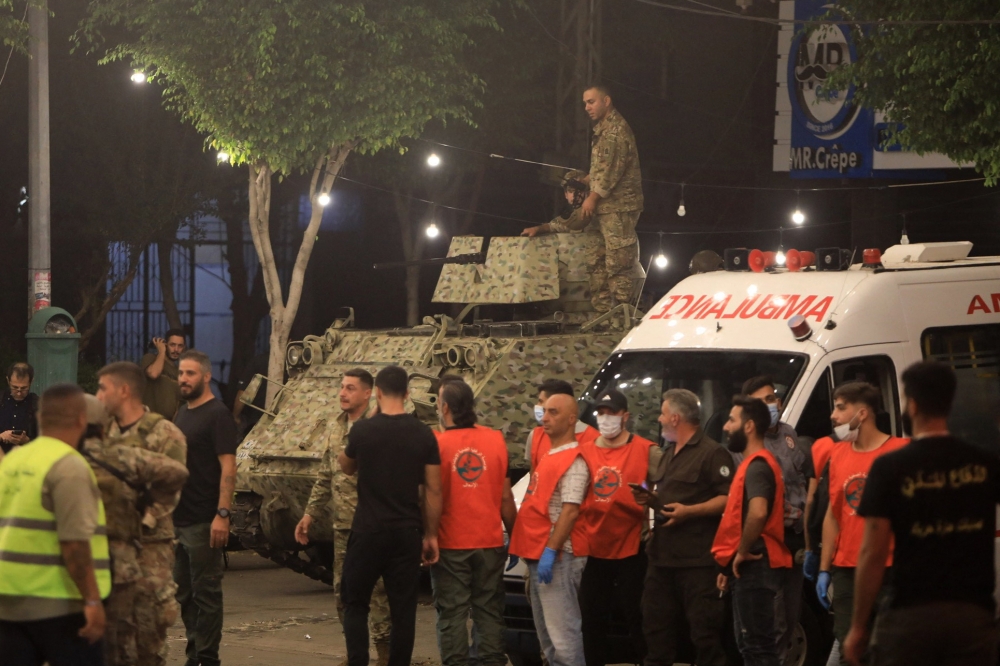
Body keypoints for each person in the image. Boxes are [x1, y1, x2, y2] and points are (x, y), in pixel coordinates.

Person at [843, 363, 996, 666]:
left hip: (910, 615)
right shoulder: (984, 463)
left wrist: (859, 627)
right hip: (974, 616)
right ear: (949, 404)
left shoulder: (890, 468)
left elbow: (872, 553)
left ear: (911, 405)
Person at [337, 365, 442, 666]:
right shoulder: (423, 433)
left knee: (355, 603)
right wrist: (431, 534)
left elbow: (346, 465)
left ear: (378, 392)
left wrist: (368, 422)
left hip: (368, 531)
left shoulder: (364, 430)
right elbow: (433, 490)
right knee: (403, 610)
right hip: (406, 533)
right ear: (408, 394)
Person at [0, 383, 110, 665]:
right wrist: (93, 601)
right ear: (81, 419)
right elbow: (74, 543)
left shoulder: (13, 462)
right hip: (60, 606)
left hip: (10, 604)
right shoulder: (68, 465)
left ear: (39, 418)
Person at [80, 394, 189, 666]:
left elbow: (175, 475)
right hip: (111, 559)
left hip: (135, 551)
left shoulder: (160, 433)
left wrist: (146, 513)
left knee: (139, 629)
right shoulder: (115, 451)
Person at [295, 368, 392, 666]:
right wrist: (310, 513)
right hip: (342, 527)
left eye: (350, 388)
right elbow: (326, 474)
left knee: (376, 592)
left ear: (367, 393)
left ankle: (386, 655)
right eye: (341, 387)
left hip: (369, 526)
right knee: (343, 592)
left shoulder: (376, 428)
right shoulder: (337, 427)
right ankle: (356, 653)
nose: (342, 393)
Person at [639, 389, 733, 666]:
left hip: (697, 563)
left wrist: (690, 512)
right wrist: (652, 500)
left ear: (676, 418)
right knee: (655, 631)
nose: (659, 419)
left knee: (704, 636)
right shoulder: (668, 454)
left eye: (663, 413)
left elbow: (729, 499)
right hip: (662, 559)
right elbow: (670, 499)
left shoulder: (713, 453)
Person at [817, 382, 908, 665]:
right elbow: (833, 515)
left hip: (891, 567)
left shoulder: (901, 452)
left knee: (892, 650)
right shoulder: (837, 454)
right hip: (847, 570)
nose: (834, 415)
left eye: (841, 407)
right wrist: (824, 568)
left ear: (863, 412)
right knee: (849, 650)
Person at [431, 377, 518, 666]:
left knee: (453, 613)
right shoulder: (495, 439)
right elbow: (506, 498)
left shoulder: (437, 444)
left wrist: (426, 535)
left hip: (451, 544)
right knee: (489, 611)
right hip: (490, 542)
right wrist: (515, 534)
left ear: (445, 408)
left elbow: (431, 497)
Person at [509, 393, 592, 666]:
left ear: (571, 419)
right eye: (544, 411)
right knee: (548, 641)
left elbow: (570, 510)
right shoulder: (550, 456)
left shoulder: (574, 460)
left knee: (563, 640)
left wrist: (550, 550)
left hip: (558, 558)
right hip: (539, 556)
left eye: (553, 412)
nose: (545, 418)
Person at [578, 389, 655, 666]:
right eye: (601, 413)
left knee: (639, 618)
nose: (606, 418)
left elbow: (667, 490)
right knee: (592, 621)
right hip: (594, 549)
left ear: (626, 417)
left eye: (612, 413)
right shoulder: (584, 452)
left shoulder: (647, 450)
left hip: (632, 548)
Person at [713, 396, 792, 666]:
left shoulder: (757, 466)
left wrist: (742, 551)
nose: (725, 426)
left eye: (731, 420)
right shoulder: (752, 464)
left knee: (757, 648)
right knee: (751, 646)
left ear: (748, 426)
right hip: (750, 566)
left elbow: (758, 512)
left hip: (756, 564)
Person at [172, 350, 238, 666]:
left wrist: (222, 514)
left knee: (206, 595)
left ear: (206, 376)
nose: (183, 379)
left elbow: (228, 468)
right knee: (184, 595)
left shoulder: (218, 414)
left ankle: (207, 659)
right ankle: (194, 654)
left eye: (190, 373)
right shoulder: (181, 413)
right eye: (181, 373)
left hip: (204, 520)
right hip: (178, 520)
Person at [741, 375, 813, 661]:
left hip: (795, 540)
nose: (769, 405)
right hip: (767, 542)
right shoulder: (745, 444)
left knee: (790, 617)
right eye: (761, 402)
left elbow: (802, 482)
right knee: (772, 622)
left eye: (771, 399)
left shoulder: (789, 433)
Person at [577, 84, 643, 315]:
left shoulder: (615, 131)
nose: (587, 107)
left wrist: (592, 197)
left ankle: (623, 319)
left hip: (618, 207)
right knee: (596, 262)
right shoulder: (603, 130)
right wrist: (586, 180)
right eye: (585, 103)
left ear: (606, 101)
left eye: (591, 102)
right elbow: (602, 169)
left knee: (619, 264)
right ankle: (603, 317)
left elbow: (611, 171)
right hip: (603, 208)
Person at [524, 379, 598, 472]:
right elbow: (534, 476)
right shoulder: (536, 435)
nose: (538, 406)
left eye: (541, 401)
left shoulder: (594, 439)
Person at [521, 170, 597, 242]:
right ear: (566, 194)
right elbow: (553, 226)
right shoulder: (570, 218)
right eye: (571, 191)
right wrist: (537, 229)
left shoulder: (599, 211)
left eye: (580, 190)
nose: (575, 195)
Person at [140, 328, 186, 420]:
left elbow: (180, 404)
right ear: (165, 345)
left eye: (180, 346)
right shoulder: (150, 358)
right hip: (148, 422)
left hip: (167, 426)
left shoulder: (180, 372)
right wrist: (161, 351)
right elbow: (153, 374)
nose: (176, 349)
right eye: (172, 345)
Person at [0, 362, 38, 453]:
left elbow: (47, 441)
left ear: (31, 381)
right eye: (14, 387)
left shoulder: (38, 405)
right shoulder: (1, 400)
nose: (19, 392)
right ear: (8, 380)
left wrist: (27, 441)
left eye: (24, 388)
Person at [232, 353, 269, 439]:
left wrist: (235, 416)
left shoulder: (259, 361)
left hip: (256, 421)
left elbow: (244, 392)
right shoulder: (296, 363)